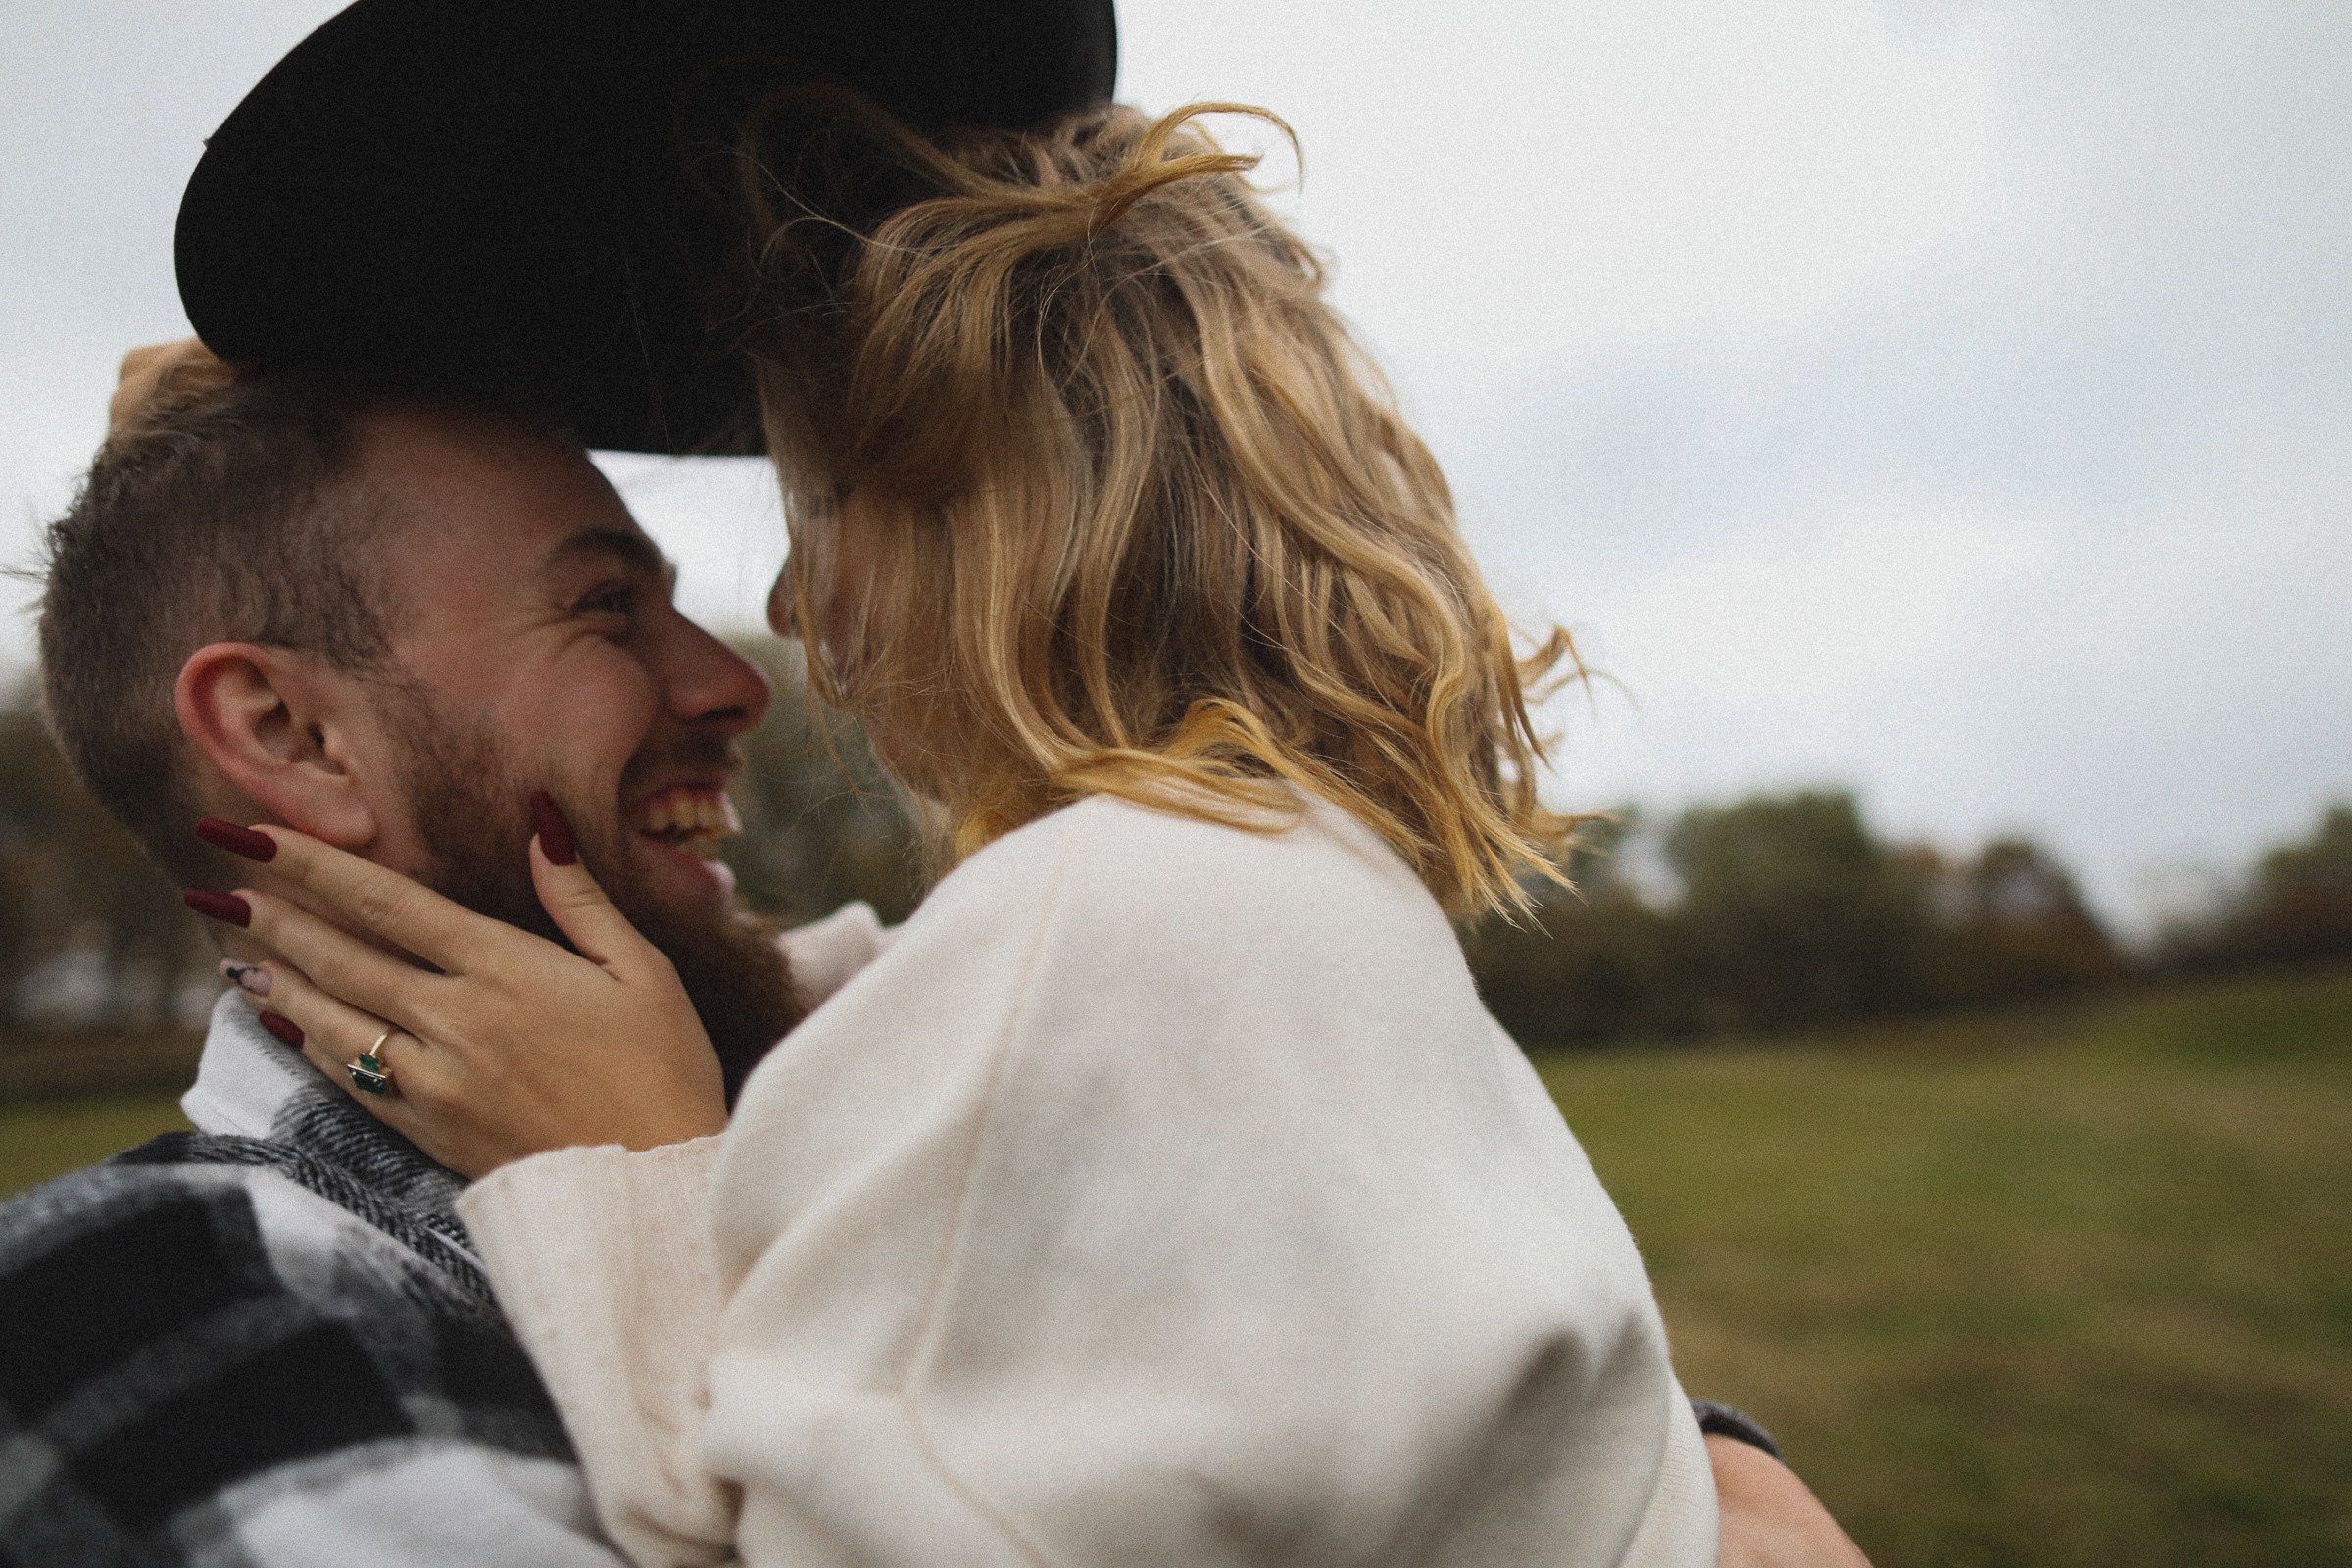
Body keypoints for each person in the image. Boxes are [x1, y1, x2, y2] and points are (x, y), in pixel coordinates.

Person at [194, 100, 1873, 1567]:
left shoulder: (1096, 934)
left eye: (822, 506)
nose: (788, 607)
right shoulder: (1267, 870)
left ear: (987, 525)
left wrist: (634, 1178)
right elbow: (974, 1068)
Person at [0, 346, 816, 1564]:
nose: (732, 681)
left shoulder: (820, 1106)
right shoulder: (155, 1297)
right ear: (293, 734)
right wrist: (645, 1190)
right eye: (603, 606)